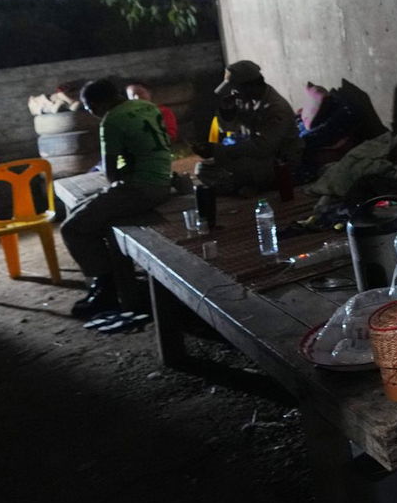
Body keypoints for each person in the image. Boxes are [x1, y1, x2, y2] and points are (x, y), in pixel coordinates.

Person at [61, 78, 173, 321]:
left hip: (140, 189)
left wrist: (123, 173)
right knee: (82, 209)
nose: (91, 113)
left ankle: (106, 288)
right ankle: (109, 282)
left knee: (72, 228)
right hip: (164, 181)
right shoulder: (147, 106)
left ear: (98, 104)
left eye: (89, 108)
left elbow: (111, 174)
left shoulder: (112, 120)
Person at [195, 60, 301, 193]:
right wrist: (227, 112)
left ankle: (246, 185)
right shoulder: (246, 100)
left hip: (279, 161)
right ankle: (242, 185)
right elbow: (230, 130)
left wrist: (219, 151)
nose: (233, 93)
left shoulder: (276, 109)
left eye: (235, 89)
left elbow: (263, 148)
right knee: (202, 168)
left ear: (249, 87)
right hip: (256, 157)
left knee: (230, 169)